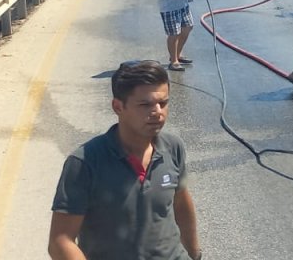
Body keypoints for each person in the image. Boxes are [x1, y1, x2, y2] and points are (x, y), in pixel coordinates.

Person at [49, 60, 202, 260]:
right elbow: (60, 241)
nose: (157, 112)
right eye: (145, 104)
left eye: (163, 103)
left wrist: (194, 253)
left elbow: (180, 203)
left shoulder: (173, 147)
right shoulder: (85, 162)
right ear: (118, 106)